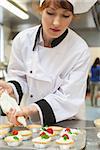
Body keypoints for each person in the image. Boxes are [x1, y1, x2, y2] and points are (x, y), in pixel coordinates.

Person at [0, 0, 97, 126]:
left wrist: (30, 109)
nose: (57, 22)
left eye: (65, 16)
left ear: (73, 16)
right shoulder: (22, 40)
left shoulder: (79, 49)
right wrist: (11, 89)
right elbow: (19, 76)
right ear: (41, 10)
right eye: (50, 13)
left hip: (66, 122)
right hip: (28, 120)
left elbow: (68, 97)